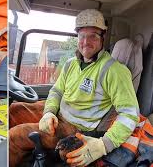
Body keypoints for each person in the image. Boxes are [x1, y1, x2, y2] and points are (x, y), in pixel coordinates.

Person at [9, 9, 139, 167]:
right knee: (13, 109)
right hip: (58, 115)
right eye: (82, 35)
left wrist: (104, 145)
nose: (86, 42)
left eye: (93, 36)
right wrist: (49, 112)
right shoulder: (71, 63)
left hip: (75, 128)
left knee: (15, 136)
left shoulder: (115, 71)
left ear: (102, 38)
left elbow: (130, 114)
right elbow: (56, 91)